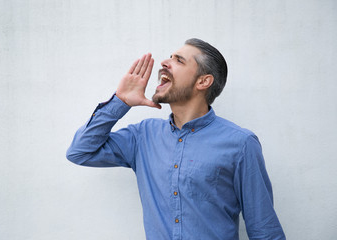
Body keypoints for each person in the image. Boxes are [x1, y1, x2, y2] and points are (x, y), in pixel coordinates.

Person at [66, 38, 286, 240]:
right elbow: (80, 152)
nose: (165, 62)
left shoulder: (241, 143)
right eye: (170, 57)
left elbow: (264, 228)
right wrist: (120, 101)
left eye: (179, 60)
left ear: (203, 81)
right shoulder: (143, 136)